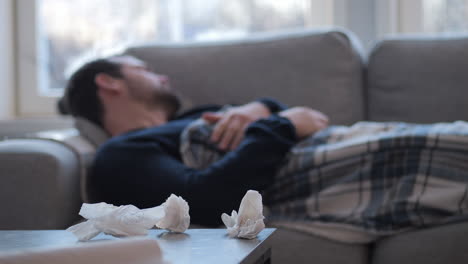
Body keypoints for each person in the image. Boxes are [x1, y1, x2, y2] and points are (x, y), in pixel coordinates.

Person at [59, 55, 329, 225]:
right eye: (145, 69)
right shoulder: (122, 153)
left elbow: (315, 120)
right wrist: (283, 123)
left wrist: (261, 107)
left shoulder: (199, 115)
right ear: (109, 82)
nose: (162, 77)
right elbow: (205, 201)